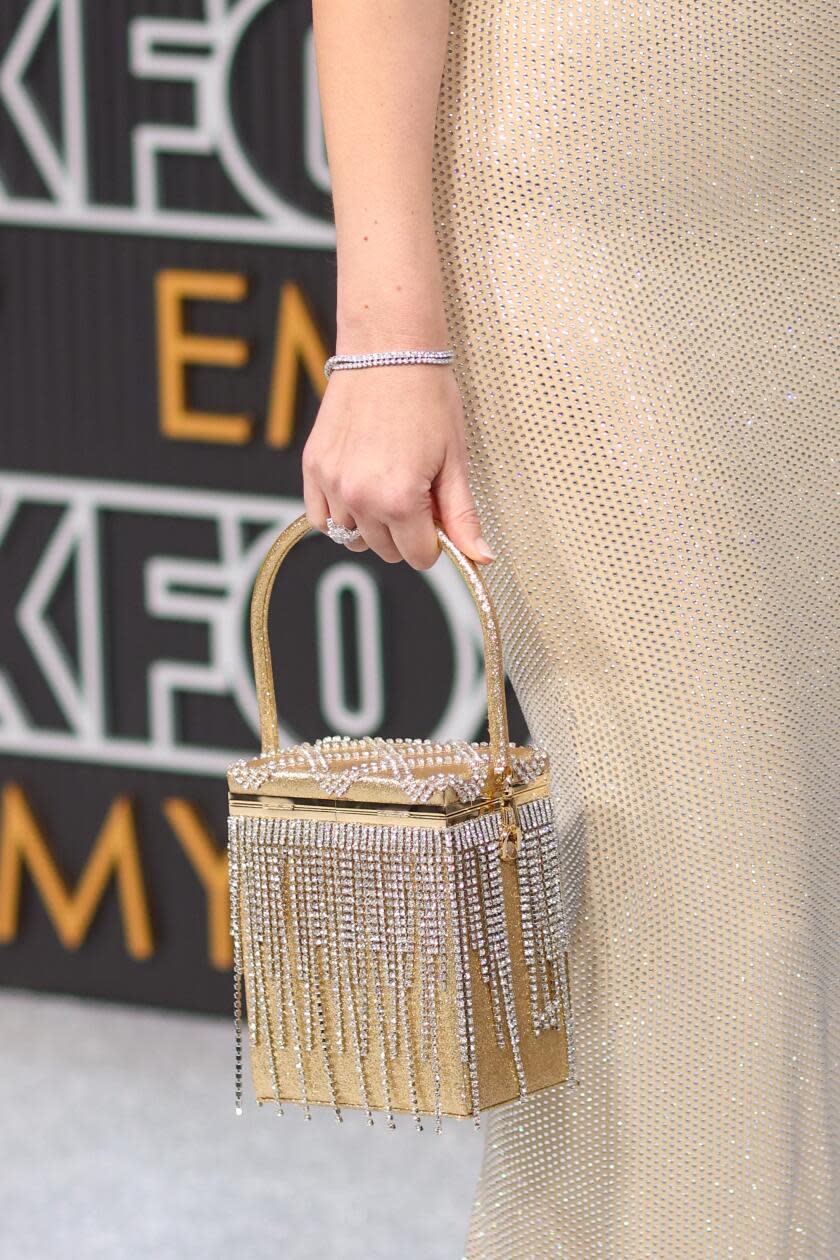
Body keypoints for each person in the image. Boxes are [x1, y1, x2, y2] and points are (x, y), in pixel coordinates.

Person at [303, 0, 839, 1255]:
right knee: (717, 893)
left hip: (811, 180)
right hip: (575, 209)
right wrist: (387, 346)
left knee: (790, 888)